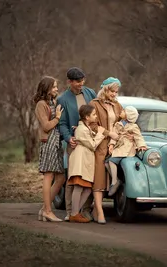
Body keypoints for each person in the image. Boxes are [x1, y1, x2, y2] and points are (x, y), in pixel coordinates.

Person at [57, 67, 97, 221]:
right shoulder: (63, 99)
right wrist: (68, 138)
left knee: (88, 178)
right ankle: (70, 212)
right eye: (78, 82)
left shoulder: (90, 93)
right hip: (74, 143)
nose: (81, 84)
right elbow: (62, 123)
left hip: (89, 141)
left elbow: (95, 114)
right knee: (73, 178)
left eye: (82, 81)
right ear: (69, 82)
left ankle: (85, 210)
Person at [89, 77, 124, 224]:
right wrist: (109, 134)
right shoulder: (94, 104)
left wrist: (114, 139)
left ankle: (95, 210)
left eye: (116, 92)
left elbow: (120, 124)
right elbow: (92, 124)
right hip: (99, 146)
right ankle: (100, 211)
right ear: (105, 89)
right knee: (99, 179)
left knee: (109, 180)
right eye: (112, 91)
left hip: (114, 146)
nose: (115, 94)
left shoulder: (117, 105)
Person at [67, 105, 107, 223]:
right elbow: (93, 145)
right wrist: (100, 133)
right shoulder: (82, 129)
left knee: (87, 188)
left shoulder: (85, 128)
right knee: (79, 186)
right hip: (80, 161)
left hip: (85, 162)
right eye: (93, 115)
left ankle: (75, 212)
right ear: (87, 117)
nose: (96, 116)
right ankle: (74, 214)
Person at [34, 76, 65, 222]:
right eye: (53, 87)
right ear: (46, 88)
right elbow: (46, 126)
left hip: (57, 143)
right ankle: (47, 210)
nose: (56, 89)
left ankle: (44, 208)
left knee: (60, 178)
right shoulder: (41, 104)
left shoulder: (52, 102)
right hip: (48, 143)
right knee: (49, 176)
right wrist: (58, 118)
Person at [107, 106, 148, 196]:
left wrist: (141, 145)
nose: (121, 112)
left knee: (111, 161)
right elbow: (114, 136)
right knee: (106, 162)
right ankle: (116, 179)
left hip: (127, 148)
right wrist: (111, 144)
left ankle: (114, 181)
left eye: (123, 111)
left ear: (128, 115)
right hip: (119, 146)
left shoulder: (133, 126)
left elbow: (138, 137)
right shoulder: (118, 124)